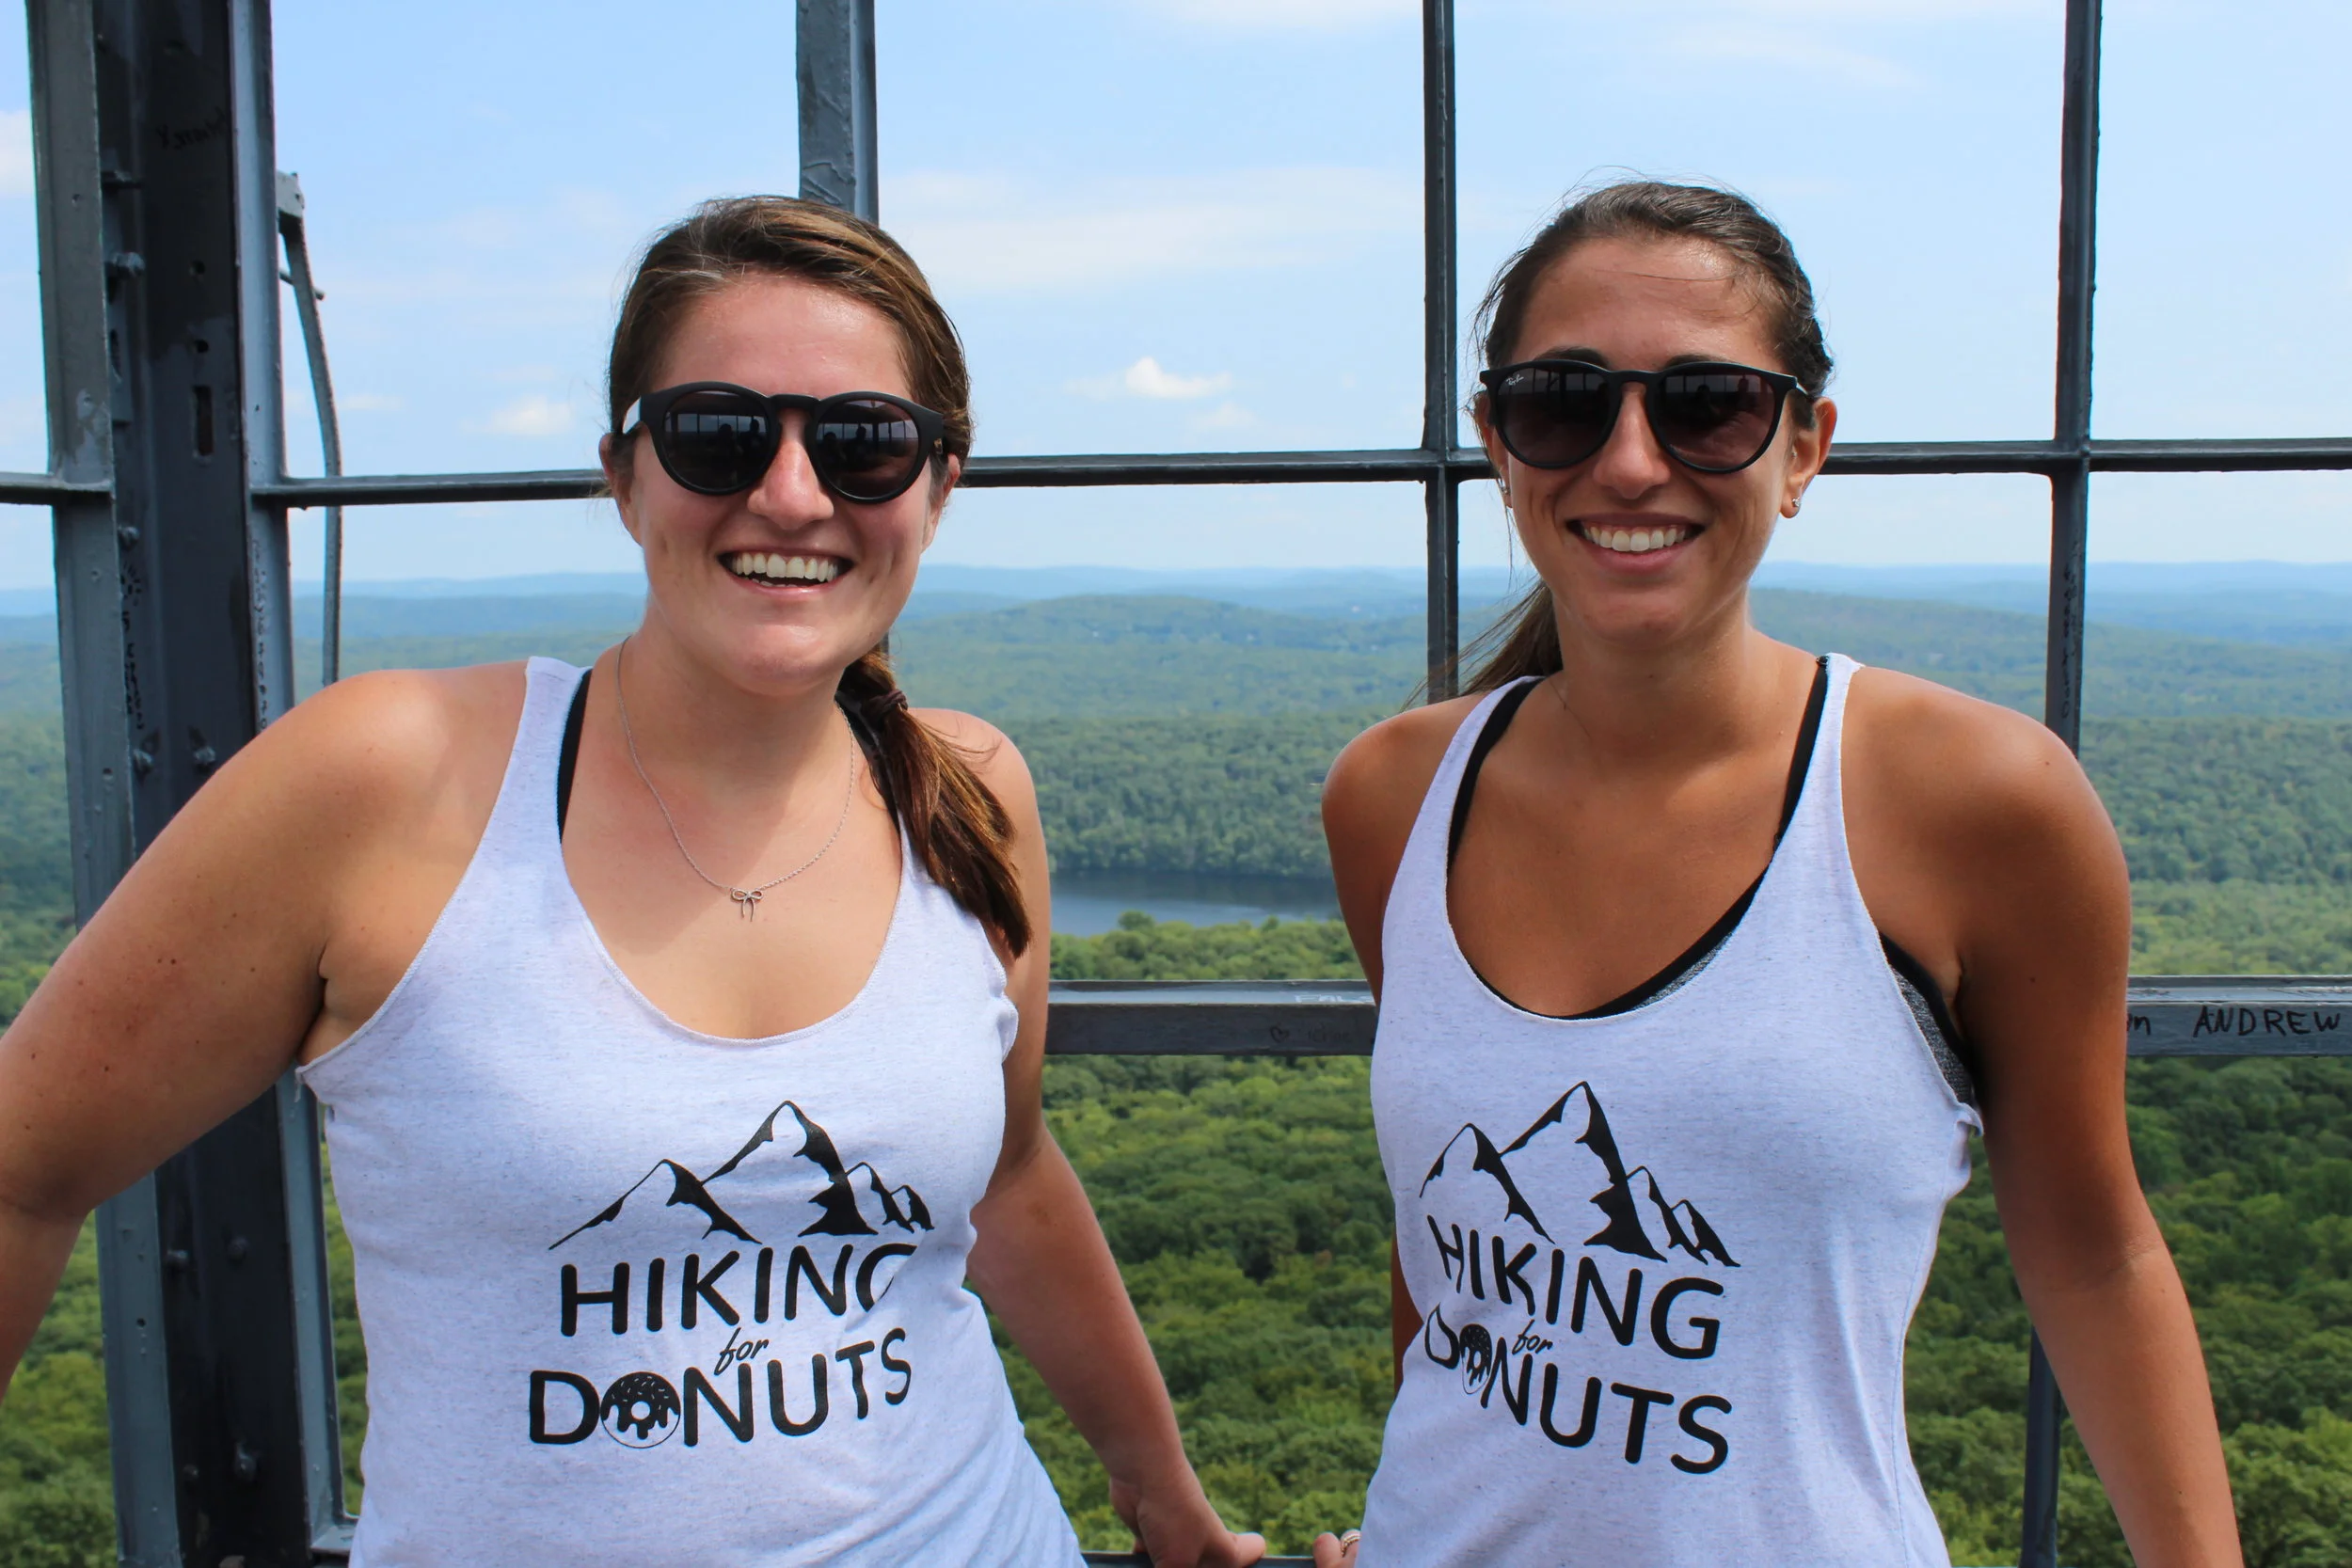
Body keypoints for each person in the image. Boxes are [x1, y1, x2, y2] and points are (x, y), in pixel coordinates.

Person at [0, 196, 1262, 1568]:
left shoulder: (964, 792)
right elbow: (23, 1164)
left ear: (938, 488)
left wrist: (1161, 1492)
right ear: (626, 473)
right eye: (720, 431)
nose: (792, 493)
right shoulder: (393, 782)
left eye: (864, 444)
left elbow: (1007, 1177)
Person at [1311, 181, 2242, 1567]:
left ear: (1804, 447)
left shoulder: (1975, 803)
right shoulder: (1396, 797)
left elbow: (2095, 1255)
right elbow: (1452, 1239)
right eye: (1564, 401)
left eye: (1708, 404)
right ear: (1499, 445)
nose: (1631, 462)